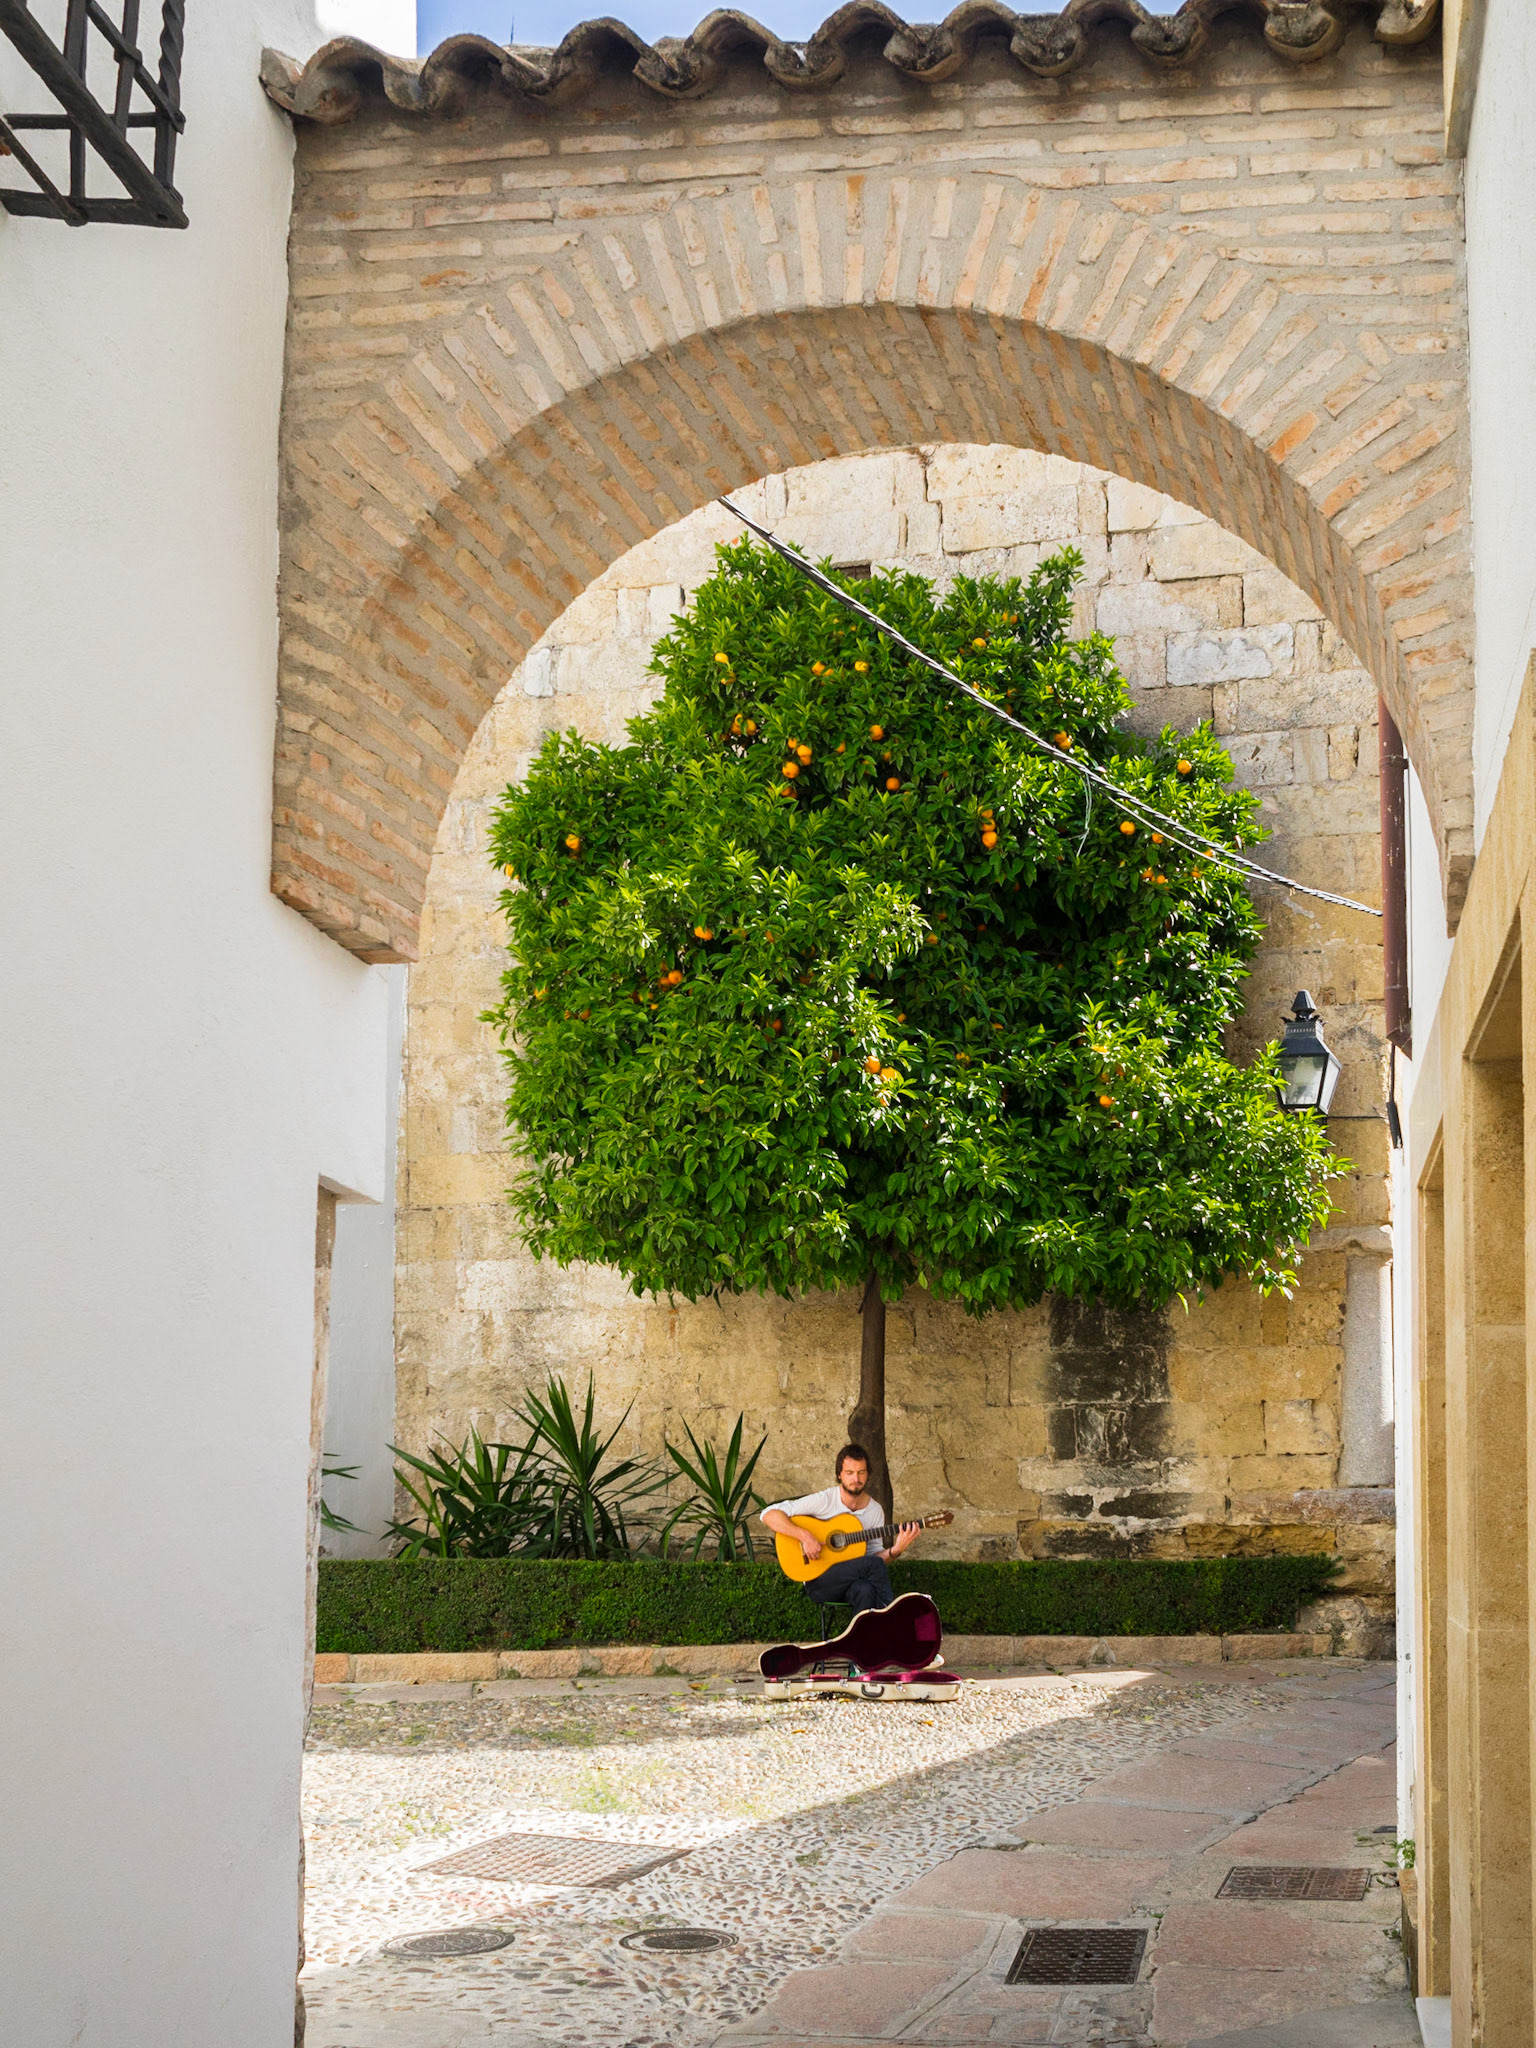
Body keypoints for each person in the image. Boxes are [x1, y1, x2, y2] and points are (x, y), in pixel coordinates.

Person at [760, 1442, 921, 1614]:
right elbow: (768, 1514)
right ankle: (892, 1620)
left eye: (861, 1472)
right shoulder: (825, 1500)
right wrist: (805, 1536)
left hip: (851, 1582)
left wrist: (896, 1550)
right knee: (872, 1565)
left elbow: (874, 1558)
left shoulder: (874, 1510)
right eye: (849, 1473)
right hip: (818, 1580)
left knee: (865, 1590)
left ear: (868, 1475)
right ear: (839, 1475)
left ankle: (859, 1640)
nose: (856, 1479)